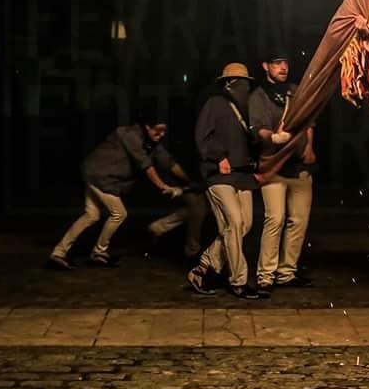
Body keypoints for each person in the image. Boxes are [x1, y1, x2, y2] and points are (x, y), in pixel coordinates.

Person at [48, 112, 187, 269]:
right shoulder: (130, 135)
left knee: (91, 215)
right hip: (100, 175)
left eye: (164, 131)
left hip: (96, 174)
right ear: (147, 126)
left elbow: (169, 162)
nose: (161, 134)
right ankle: (99, 253)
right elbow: (147, 166)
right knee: (119, 213)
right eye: (158, 130)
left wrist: (189, 181)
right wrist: (164, 187)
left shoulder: (152, 143)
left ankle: (58, 254)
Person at [187, 63, 261, 299]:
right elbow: (201, 136)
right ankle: (238, 280)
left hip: (242, 175)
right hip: (219, 173)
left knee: (243, 225)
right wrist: (218, 156)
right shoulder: (215, 103)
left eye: (246, 82)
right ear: (228, 83)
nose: (243, 86)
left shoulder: (249, 107)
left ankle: (204, 265)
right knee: (234, 222)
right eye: (239, 82)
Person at [250, 53, 316, 298]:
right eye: (277, 63)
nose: (283, 67)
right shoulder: (259, 95)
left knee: (298, 221)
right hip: (273, 167)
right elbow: (258, 128)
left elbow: (309, 120)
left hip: (299, 168)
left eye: (285, 63)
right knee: (275, 219)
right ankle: (265, 275)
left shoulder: (295, 91)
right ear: (265, 65)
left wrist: (309, 146)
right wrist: (272, 137)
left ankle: (286, 272)